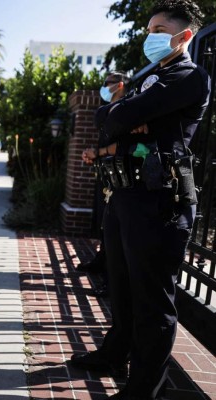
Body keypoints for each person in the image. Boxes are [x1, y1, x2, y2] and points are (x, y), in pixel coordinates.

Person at [70, 2, 211, 399]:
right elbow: (109, 120)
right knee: (122, 285)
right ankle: (115, 353)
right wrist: (124, 115)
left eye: (159, 29)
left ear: (183, 36)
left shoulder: (188, 76)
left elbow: (116, 120)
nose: (150, 37)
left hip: (159, 201)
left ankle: (144, 388)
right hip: (127, 196)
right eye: (148, 29)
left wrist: (123, 116)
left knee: (152, 300)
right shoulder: (152, 78)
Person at [79, 71, 129, 298]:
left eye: (106, 84)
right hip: (107, 174)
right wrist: (95, 154)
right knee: (103, 226)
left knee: (114, 233)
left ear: (119, 85)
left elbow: (123, 145)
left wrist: (97, 152)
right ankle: (100, 262)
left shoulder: (128, 109)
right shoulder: (111, 110)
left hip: (122, 178)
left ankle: (112, 284)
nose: (102, 87)